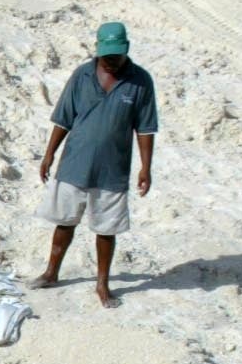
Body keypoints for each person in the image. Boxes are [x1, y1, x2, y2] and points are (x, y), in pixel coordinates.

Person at [33, 20, 158, 307]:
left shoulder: (141, 81)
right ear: (98, 50)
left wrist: (145, 167)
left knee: (106, 228)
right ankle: (51, 272)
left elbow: (146, 128)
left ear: (126, 50)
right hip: (75, 162)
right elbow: (63, 118)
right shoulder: (82, 75)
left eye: (117, 56)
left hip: (113, 168)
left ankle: (102, 284)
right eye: (107, 57)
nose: (111, 62)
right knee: (65, 221)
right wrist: (50, 153)